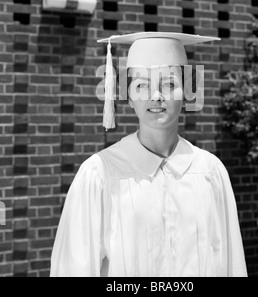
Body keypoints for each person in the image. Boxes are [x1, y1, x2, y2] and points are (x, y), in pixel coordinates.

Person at [50, 32, 248, 277]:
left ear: (187, 93)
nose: (156, 96)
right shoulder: (100, 174)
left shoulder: (210, 171)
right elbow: (73, 268)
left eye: (169, 84)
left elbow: (231, 264)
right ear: (129, 97)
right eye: (142, 85)